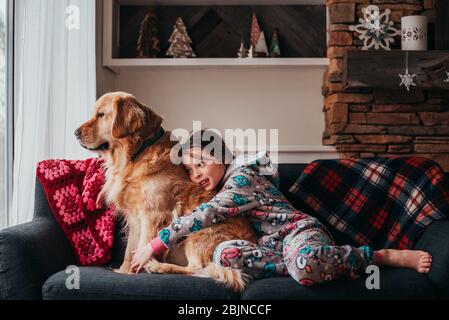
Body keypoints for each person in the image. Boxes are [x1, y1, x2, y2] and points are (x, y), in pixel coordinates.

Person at [130, 130, 433, 286]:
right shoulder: (222, 185)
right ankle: (310, 266)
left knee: (305, 264)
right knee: (225, 254)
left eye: (201, 162)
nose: (196, 173)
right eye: (190, 169)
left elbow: (207, 214)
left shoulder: (242, 179)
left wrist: (154, 244)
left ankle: (379, 257)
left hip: (298, 234)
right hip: (272, 250)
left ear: (223, 156)